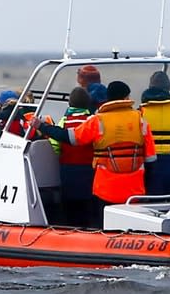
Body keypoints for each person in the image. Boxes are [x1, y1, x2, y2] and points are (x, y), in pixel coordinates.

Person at [36, 80, 156, 226]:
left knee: (101, 225)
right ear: (126, 98)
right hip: (135, 189)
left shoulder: (98, 121)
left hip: (106, 188)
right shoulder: (141, 120)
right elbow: (151, 160)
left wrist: (42, 126)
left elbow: (70, 138)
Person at [49, 86, 95, 227]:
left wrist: (60, 155)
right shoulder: (92, 120)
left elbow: (55, 144)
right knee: (88, 204)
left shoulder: (63, 121)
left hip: (68, 168)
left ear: (70, 104)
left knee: (71, 204)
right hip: (89, 169)